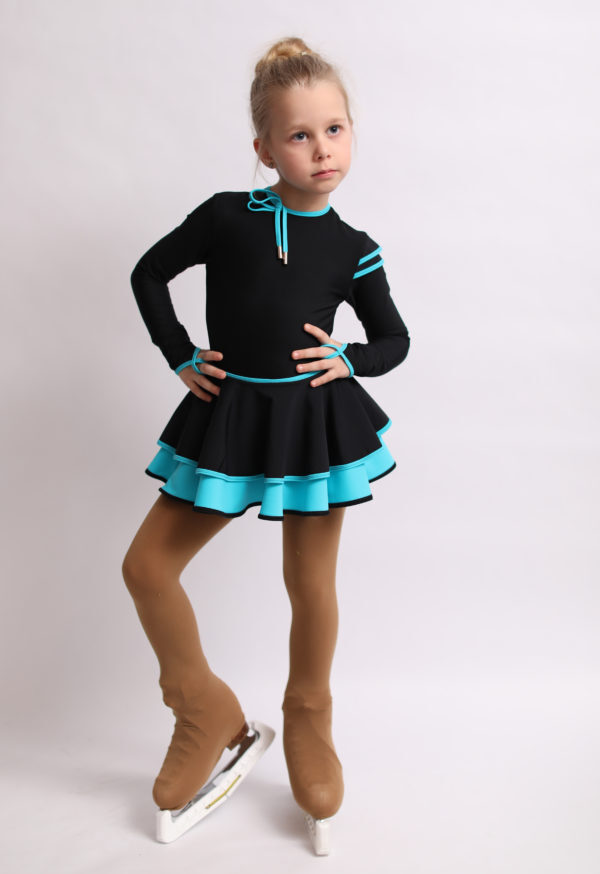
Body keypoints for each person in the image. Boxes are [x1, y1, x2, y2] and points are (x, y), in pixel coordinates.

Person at [122, 36, 410, 853]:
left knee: (310, 584)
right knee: (146, 567)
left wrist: (350, 359)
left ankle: (308, 713)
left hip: (314, 427)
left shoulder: (354, 247)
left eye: (335, 130)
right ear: (264, 148)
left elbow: (394, 339)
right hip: (229, 417)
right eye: (299, 135)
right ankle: (203, 708)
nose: (321, 150)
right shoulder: (226, 216)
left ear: (351, 133)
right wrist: (179, 354)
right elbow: (148, 273)